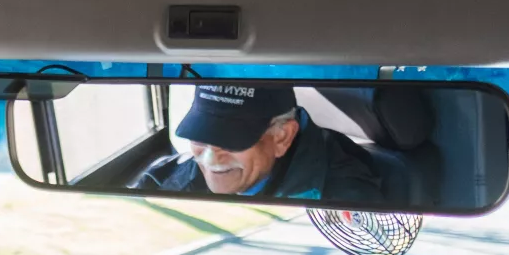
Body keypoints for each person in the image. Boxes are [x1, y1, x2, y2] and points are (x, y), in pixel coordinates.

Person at [129, 83, 382, 202]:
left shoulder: (345, 199)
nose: (210, 159)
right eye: (200, 136)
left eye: (229, 141)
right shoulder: (159, 182)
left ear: (282, 137)